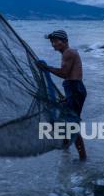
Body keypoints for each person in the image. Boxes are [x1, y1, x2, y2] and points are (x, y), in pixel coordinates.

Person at [37, 30, 87, 160]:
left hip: (75, 89)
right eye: (52, 41)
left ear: (65, 41)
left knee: (71, 125)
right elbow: (69, 76)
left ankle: (83, 159)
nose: (53, 44)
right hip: (73, 90)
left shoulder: (68, 53)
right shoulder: (68, 52)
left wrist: (47, 68)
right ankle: (66, 150)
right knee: (66, 121)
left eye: (56, 41)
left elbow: (64, 73)